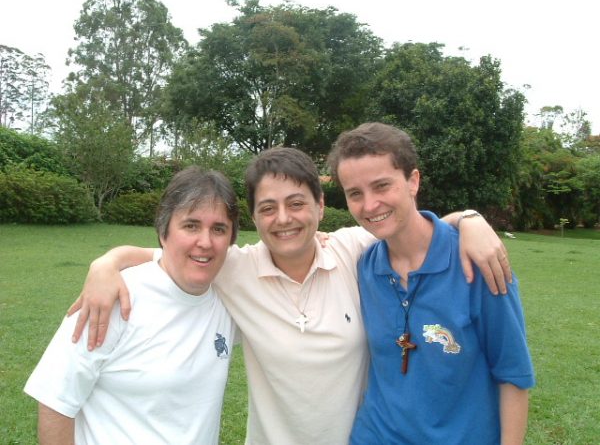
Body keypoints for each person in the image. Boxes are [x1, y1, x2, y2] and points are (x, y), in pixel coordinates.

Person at [68, 147, 512, 444]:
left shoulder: (355, 249)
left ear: (321, 206)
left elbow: (411, 227)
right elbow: (168, 254)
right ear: (255, 219)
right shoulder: (232, 268)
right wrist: (105, 263)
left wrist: (469, 219)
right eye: (267, 208)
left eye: (297, 203)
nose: (284, 219)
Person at [327, 122, 535, 444]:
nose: (369, 205)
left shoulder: (479, 264)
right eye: (355, 194)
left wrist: (468, 218)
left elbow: (513, 375)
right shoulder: (364, 266)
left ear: (413, 181)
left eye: (382, 186)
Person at [24, 167, 239, 444]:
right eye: (191, 225)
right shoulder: (112, 299)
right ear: (164, 232)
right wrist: (108, 262)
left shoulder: (230, 296)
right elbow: (56, 402)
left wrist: (315, 240)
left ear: (231, 239)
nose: (205, 242)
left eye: (218, 229)